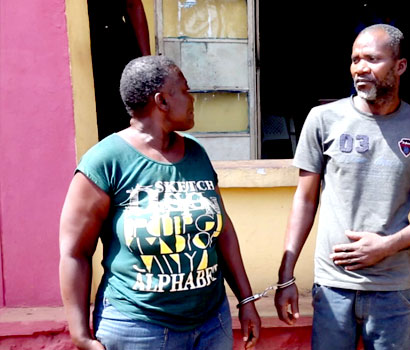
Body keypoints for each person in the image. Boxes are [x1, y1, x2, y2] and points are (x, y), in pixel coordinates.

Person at [59, 55, 261, 350]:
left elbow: (223, 230)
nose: (193, 99)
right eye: (186, 89)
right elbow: (75, 253)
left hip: (211, 324)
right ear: (162, 101)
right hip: (138, 328)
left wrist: (246, 300)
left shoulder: (196, 154)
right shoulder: (106, 162)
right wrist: (80, 334)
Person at [274, 24, 410, 349]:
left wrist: (388, 245)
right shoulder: (322, 119)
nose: (360, 68)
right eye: (356, 59)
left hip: (391, 289)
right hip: (332, 287)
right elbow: (304, 199)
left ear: (400, 66)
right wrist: (286, 274)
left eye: (372, 59)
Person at [88, 0, 151, 140]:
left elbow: (133, 5)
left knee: (126, 109)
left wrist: (146, 59)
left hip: (117, 43)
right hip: (88, 49)